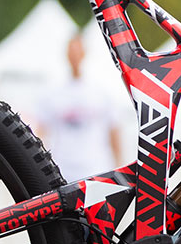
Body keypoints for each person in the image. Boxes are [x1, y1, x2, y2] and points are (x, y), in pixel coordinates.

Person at [32, 33, 125, 180]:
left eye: (77, 51)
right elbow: (41, 132)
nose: (74, 56)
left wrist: (119, 168)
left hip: (96, 168)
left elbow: (114, 132)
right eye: (71, 51)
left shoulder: (101, 93)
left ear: (84, 53)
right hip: (62, 168)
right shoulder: (52, 93)